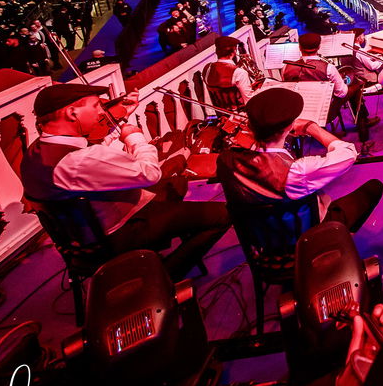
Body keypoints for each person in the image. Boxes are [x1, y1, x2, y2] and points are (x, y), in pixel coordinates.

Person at [20, 82, 230, 265]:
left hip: (82, 239)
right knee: (223, 213)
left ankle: (166, 239)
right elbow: (149, 173)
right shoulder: (77, 161)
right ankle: (167, 276)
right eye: (96, 106)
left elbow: (92, 152)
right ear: (72, 113)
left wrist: (119, 125)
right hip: (118, 235)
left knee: (174, 185)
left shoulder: (37, 151)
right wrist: (136, 138)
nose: (102, 112)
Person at [216, 87, 383, 234]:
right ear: (289, 126)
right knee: (374, 187)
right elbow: (348, 153)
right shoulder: (297, 170)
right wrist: (313, 128)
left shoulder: (225, 161)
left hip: (261, 236)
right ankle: (338, 240)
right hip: (307, 235)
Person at [203, 35, 254, 108]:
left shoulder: (207, 68)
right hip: (241, 115)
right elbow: (249, 100)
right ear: (234, 51)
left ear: (217, 52)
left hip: (223, 115)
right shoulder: (239, 72)